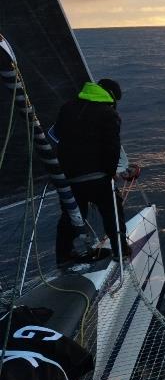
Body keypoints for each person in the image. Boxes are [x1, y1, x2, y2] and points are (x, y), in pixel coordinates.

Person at [54, 78, 130, 264]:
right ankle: (120, 250)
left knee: (72, 215)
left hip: (69, 176)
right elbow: (111, 147)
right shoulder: (108, 114)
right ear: (111, 96)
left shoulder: (67, 108)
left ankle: (64, 255)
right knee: (112, 211)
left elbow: (57, 137)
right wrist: (111, 171)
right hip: (98, 177)